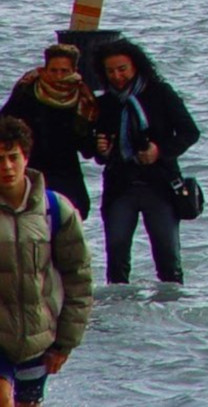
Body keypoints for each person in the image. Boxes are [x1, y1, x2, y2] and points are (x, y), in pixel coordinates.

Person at [0, 115, 93, 407]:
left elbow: (78, 278)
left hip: (38, 336)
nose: (6, 167)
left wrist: (65, 342)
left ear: (26, 157)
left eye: (13, 157)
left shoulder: (55, 210)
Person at [92, 40, 198, 285]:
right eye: (110, 71)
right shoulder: (105, 103)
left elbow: (189, 132)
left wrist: (159, 151)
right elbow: (96, 153)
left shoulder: (161, 93)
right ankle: (120, 316)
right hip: (120, 188)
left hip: (160, 185)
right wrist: (102, 149)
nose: (117, 76)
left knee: (168, 258)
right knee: (116, 259)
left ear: (136, 67)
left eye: (122, 69)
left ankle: (172, 314)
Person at [1, 47, 97, 218]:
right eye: (53, 70)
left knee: (72, 216)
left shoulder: (83, 98)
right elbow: (5, 125)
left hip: (66, 170)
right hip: (32, 168)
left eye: (64, 71)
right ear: (44, 69)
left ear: (74, 71)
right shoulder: (28, 90)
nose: (58, 76)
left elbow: (87, 149)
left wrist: (99, 145)